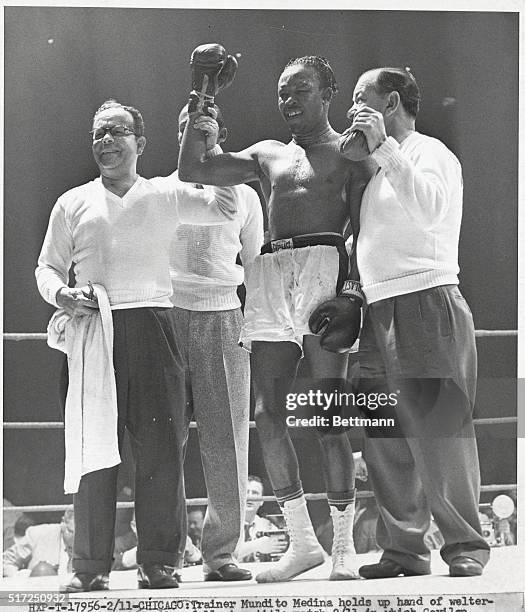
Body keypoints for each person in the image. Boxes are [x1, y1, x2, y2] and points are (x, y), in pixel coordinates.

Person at [179, 53, 373, 582]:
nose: (288, 101)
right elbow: (193, 167)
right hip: (268, 270)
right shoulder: (266, 155)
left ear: (328, 91)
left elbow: (364, 230)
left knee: (327, 415)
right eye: (283, 92)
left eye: (301, 90)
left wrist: (353, 294)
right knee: (267, 414)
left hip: (324, 267)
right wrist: (204, 90)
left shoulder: (349, 155)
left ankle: (342, 548)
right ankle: (302, 542)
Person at [35, 99, 242, 592]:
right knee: (92, 451)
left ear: (140, 143)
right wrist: (62, 293)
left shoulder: (166, 194)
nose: (106, 141)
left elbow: (229, 206)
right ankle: (89, 567)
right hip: (92, 333)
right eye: (98, 134)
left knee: (161, 452)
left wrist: (210, 147)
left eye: (117, 132)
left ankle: (158, 561)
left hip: (155, 323)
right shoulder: (72, 201)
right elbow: (46, 267)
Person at [330, 66, 490, 578]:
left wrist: (387, 150)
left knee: (442, 432)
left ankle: (466, 543)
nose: (351, 111)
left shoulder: (429, 153)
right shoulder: (376, 173)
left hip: (426, 300)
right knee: (385, 438)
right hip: (379, 310)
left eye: (361, 100)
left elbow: (431, 212)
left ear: (391, 102)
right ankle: (404, 550)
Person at [169, 104, 262, 581]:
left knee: (227, 439)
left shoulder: (243, 196)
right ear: (177, 135)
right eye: (187, 129)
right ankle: (164, 552)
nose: (195, 137)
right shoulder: (161, 192)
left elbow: (258, 265)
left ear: (220, 135)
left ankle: (221, 552)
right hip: (166, 316)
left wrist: (262, 327)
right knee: (165, 440)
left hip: (225, 316)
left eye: (204, 131)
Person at [3, 508, 74, 577]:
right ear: (63, 522)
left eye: (83, 534)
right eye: (72, 532)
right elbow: (6, 561)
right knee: (43, 570)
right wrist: (20, 579)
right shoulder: (38, 534)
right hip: (37, 587)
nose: (78, 539)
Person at [236, 476, 289, 563]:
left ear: (262, 501)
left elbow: (280, 555)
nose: (250, 497)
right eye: (245, 492)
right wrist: (256, 545)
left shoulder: (269, 526)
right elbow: (222, 558)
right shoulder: (227, 526)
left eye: (255, 493)